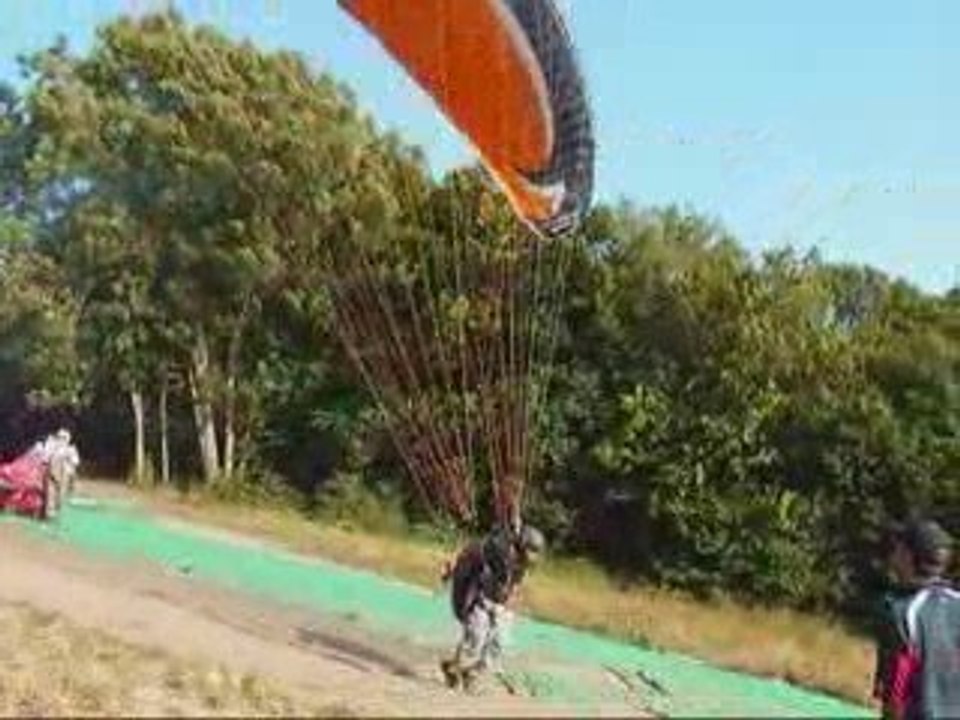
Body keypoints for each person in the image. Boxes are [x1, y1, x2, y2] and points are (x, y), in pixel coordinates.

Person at [439, 519, 545, 691]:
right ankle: (452, 668)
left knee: (499, 646)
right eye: (531, 550)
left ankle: (472, 674)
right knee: (475, 640)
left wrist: (512, 603)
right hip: (482, 600)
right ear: (522, 545)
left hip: (503, 607)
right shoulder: (497, 550)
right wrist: (452, 568)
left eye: (536, 552)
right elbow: (472, 551)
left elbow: (516, 584)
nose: (534, 556)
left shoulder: (525, 565)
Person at [873, 517, 960, 720]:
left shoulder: (902, 613)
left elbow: (897, 694)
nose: (893, 550)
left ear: (908, 555)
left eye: (899, 545)